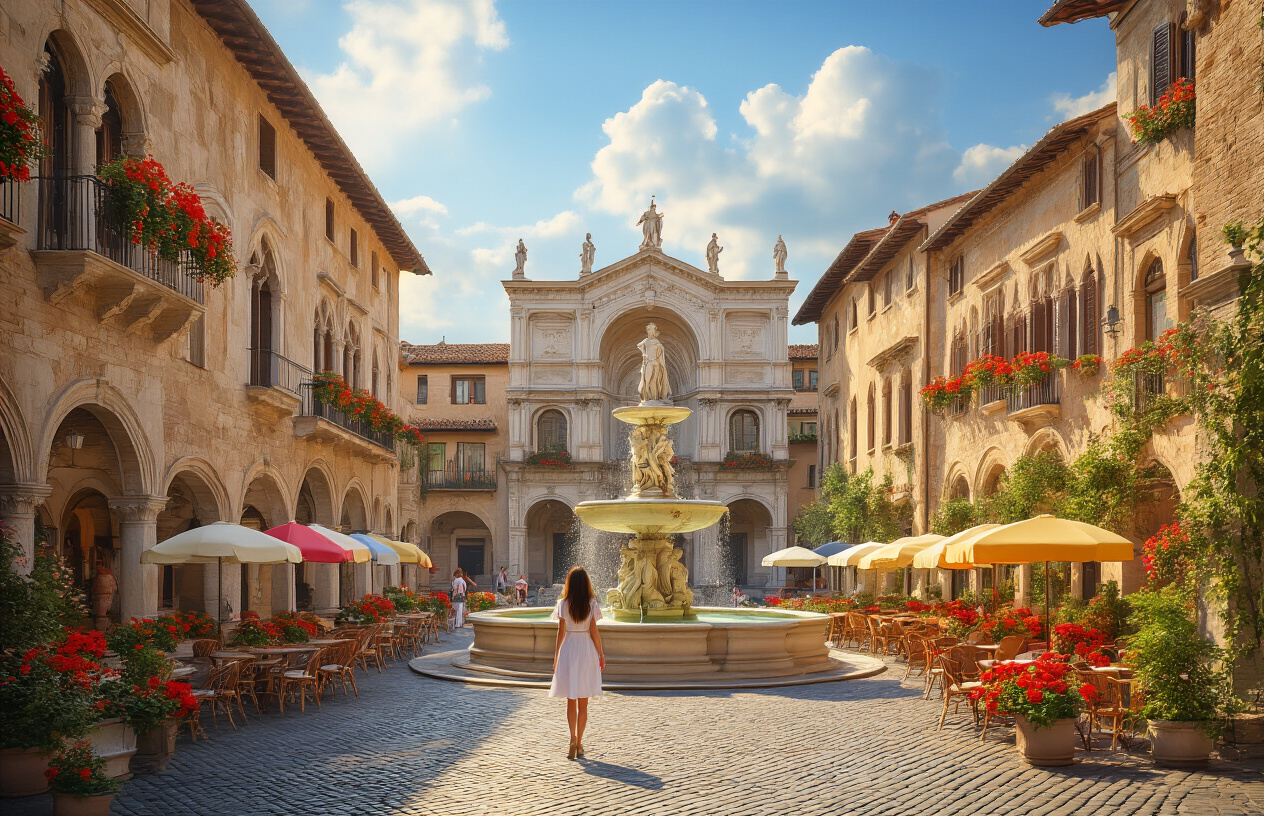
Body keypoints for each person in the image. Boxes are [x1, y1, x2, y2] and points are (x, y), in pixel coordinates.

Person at [550, 566, 605, 759]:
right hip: (586, 648)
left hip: (569, 647)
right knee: (584, 702)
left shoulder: (563, 603)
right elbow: (594, 631)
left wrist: (556, 656)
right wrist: (601, 654)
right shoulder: (591, 603)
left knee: (570, 699)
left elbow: (561, 632)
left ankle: (572, 737)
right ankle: (580, 743)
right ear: (586, 583)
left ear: (570, 583)